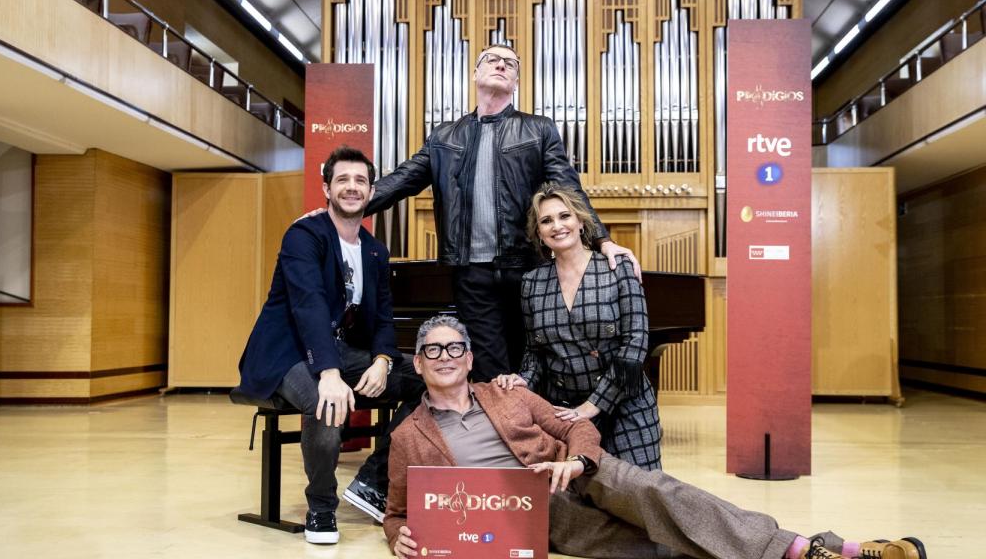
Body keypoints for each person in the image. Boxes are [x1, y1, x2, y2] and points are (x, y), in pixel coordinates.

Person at [384, 315, 927, 559]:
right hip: (532, 513)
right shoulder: (409, 435)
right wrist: (397, 537)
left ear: (470, 356)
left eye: (455, 348)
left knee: (657, 494)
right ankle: (830, 551)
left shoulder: (510, 393)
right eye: (433, 350)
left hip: (579, 477)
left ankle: (805, 554)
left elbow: (576, 425)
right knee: (660, 545)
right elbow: (398, 511)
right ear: (419, 361)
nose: (446, 358)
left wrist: (577, 463)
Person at [363, 43, 641, 383]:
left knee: (536, 363)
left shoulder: (538, 129)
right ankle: (504, 435)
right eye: (492, 60)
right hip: (471, 274)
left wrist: (602, 239)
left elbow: (568, 189)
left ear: (516, 81)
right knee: (491, 373)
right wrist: (342, 208)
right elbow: (400, 181)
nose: (501, 65)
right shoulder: (444, 137)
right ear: (476, 73)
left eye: (510, 63)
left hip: (528, 268)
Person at [236, 146, 423, 544]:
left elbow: (384, 316)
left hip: (338, 351)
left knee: (430, 380)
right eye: (343, 180)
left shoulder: (374, 250)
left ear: (372, 191)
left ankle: (372, 480)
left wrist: (384, 360)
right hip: (285, 353)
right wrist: (331, 373)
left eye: (360, 181)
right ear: (326, 187)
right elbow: (309, 306)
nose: (352, 188)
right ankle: (321, 508)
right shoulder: (304, 235)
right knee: (328, 400)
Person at [495, 183, 662, 470]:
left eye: (565, 216)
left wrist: (592, 405)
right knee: (581, 506)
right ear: (539, 234)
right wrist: (524, 379)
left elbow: (635, 344)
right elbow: (536, 352)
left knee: (639, 498)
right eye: (547, 221)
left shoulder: (617, 267)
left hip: (626, 406)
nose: (557, 226)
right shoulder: (532, 282)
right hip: (566, 411)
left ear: (581, 222)